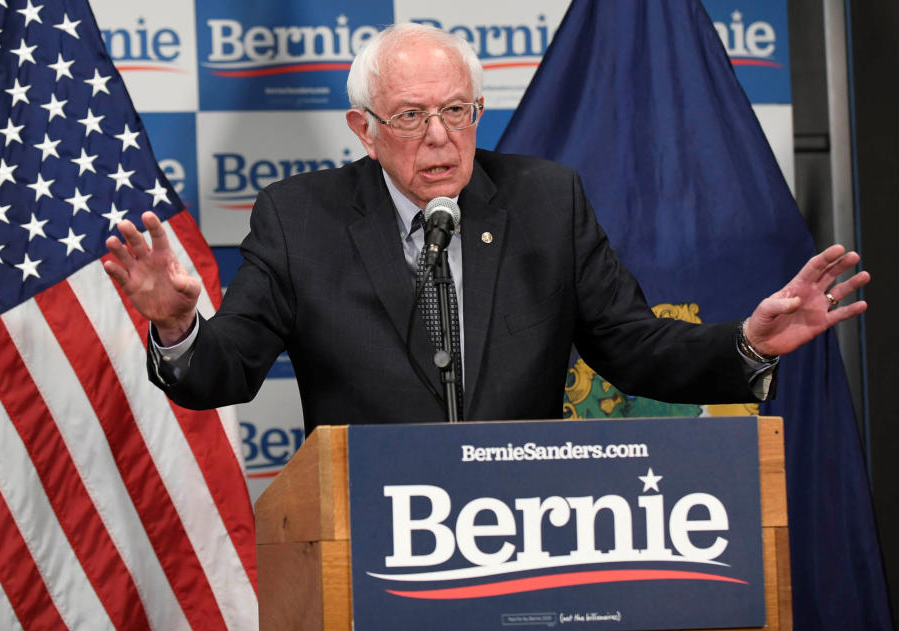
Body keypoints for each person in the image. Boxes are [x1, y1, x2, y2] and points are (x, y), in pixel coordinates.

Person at [103, 23, 868, 435]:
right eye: (410, 116)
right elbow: (224, 372)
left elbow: (636, 349)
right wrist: (177, 324)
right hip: (372, 539)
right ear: (363, 130)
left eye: (457, 111)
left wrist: (748, 343)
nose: (440, 137)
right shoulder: (300, 218)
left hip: (519, 530)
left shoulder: (544, 200)